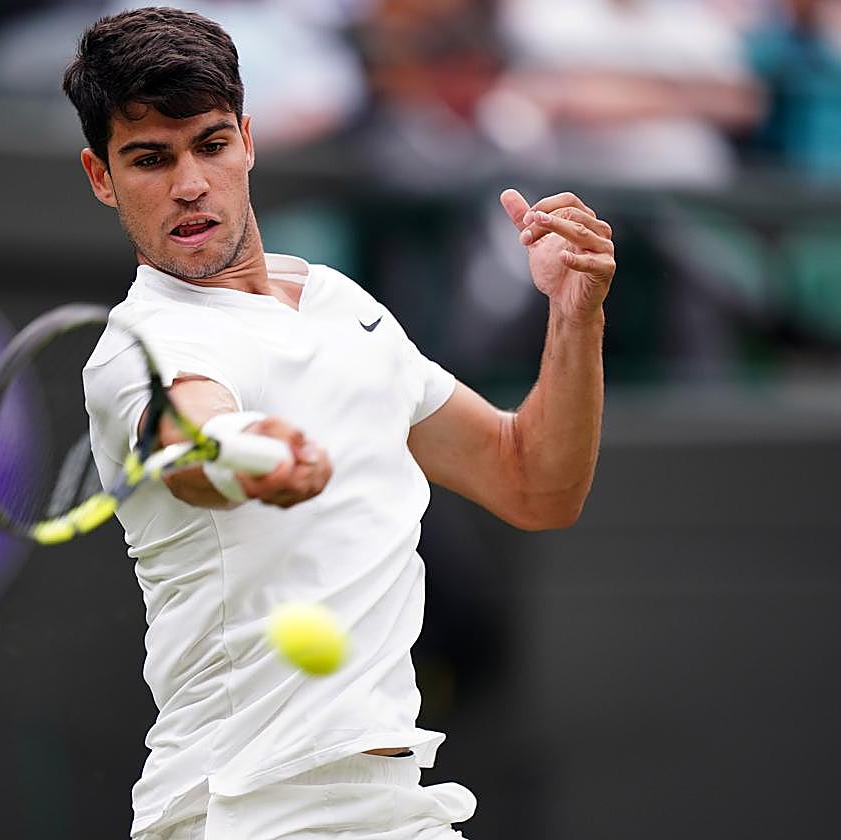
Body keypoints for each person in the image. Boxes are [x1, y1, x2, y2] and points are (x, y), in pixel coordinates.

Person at [63, 7, 615, 839]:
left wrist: (576, 316)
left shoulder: (340, 304)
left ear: (247, 139)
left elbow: (534, 482)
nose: (188, 184)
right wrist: (248, 454)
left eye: (210, 145)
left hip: (396, 805)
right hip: (242, 812)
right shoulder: (140, 346)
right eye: (150, 159)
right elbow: (187, 434)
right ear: (101, 176)